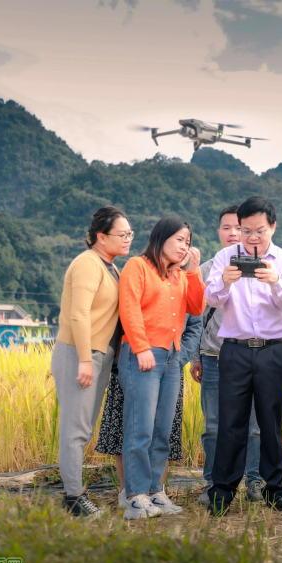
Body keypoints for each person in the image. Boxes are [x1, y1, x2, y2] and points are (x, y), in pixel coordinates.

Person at [205, 197, 282, 514]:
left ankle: (276, 488)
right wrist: (223, 281)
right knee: (231, 421)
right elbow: (212, 298)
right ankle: (223, 490)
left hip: (273, 350)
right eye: (246, 231)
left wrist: (274, 281)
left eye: (259, 230)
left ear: (272, 226)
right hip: (234, 350)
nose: (252, 237)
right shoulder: (225, 257)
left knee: (271, 422)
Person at [118, 216, 206, 520]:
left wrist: (193, 273)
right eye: (180, 240)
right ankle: (135, 496)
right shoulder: (138, 266)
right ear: (162, 237)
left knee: (162, 431)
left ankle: (156, 491)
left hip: (170, 358)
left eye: (188, 242)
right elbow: (128, 307)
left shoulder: (181, 275)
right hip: (141, 354)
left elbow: (196, 308)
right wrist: (141, 347)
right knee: (139, 427)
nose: (185, 247)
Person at [53, 206, 132, 517]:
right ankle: (73, 497)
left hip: (98, 355)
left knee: (83, 427)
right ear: (101, 237)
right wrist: (85, 360)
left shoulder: (110, 267)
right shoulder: (87, 264)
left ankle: (74, 493)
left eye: (130, 234)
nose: (128, 239)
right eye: (122, 234)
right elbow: (79, 313)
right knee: (75, 428)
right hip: (79, 353)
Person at [191, 206, 264, 505]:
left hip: (252, 356)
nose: (233, 233)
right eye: (227, 227)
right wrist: (195, 356)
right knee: (213, 425)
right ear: (218, 232)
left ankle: (254, 481)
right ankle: (212, 481)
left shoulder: (263, 267)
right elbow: (195, 317)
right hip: (213, 356)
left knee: (253, 425)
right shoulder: (206, 269)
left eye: (239, 227)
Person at [95, 312, 201, 509]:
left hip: (170, 362)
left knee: (164, 430)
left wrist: (179, 357)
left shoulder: (183, 281)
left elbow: (195, 321)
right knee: (126, 428)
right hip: (131, 358)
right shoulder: (133, 280)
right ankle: (128, 492)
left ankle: (156, 491)